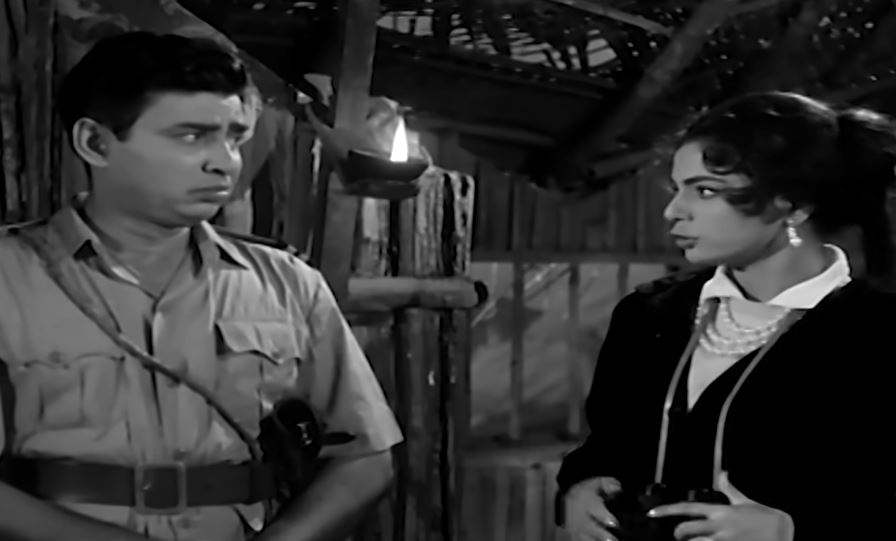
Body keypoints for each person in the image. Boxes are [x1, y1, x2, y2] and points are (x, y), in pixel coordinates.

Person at [0, 32, 402, 541]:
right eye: (191, 136)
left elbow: (366, 456)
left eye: (234, 137)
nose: (226, 162)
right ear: (95, 143)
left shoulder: (287, 284)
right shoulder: (11, 276)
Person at [556, 91, 896, 541]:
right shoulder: (648, 314)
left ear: (791, 204)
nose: (673, 211)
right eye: (677, 188)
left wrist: (790, 529)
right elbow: (605, 446)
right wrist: (578, 488)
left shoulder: (878, 332)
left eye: (705, 190)